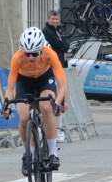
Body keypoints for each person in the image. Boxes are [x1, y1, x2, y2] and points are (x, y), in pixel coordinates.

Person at [4, 28, 68, 173]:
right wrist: (7, 106)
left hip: (45, 79)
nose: (31, 57)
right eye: (27, 53)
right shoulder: (17, 57)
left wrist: (57, 103)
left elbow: (62, 85)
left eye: (34, 54)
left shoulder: (50, 54)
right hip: (24, 82)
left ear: (41, 49)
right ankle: (27, 154)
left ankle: (53, 154)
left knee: (46, 108)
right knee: (24, 117)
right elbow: (9, 88)